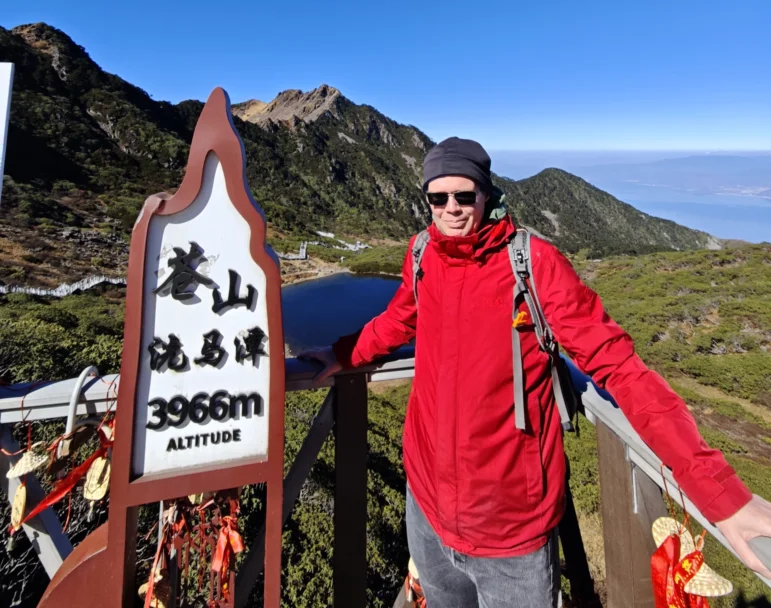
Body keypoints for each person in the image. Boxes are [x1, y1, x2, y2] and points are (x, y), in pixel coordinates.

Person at [304, 137, 771, 607]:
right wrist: (343, 354)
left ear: (486, 194)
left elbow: (622, 369)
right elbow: (400, 318)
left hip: (512, 528)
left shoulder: (533, 265)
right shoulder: (423, 253)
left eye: (464, 195)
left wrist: (720, 493)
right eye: (437, 197)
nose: (451, 209)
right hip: (426, 508)